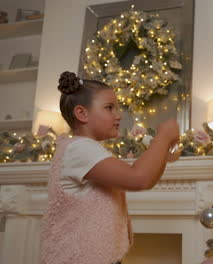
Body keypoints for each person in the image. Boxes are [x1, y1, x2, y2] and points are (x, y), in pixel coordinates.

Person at [40, 71, 180, 264]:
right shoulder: (79, 148)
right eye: (109, 108)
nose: (118, 115)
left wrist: (162, 152)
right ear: (82, 113)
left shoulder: (86, 149)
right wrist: (163, 136)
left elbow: (146, 177)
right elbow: (139, 178)